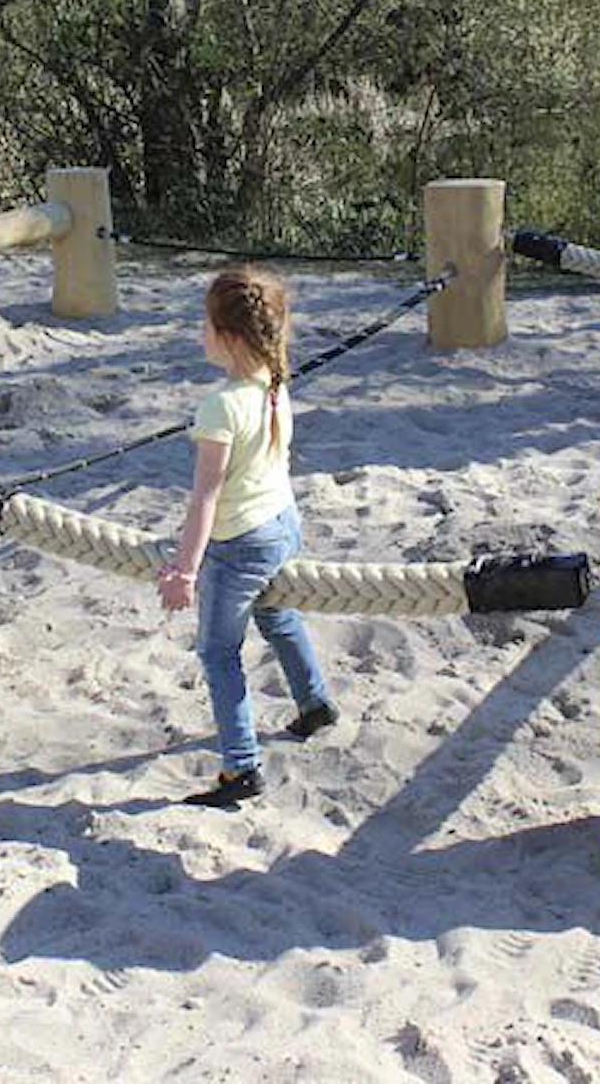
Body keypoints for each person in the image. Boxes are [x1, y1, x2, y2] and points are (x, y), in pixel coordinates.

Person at [157, 266, 339, 809]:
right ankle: (314, 703)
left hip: (239, 545)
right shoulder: (274, 383)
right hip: (283, 524)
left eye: (205, 325)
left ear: (228, 337)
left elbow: (206, 498)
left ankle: (240, 767)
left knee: (218, 652)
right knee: (277, 614)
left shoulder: (220, 406)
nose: (201, 334)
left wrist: (185, 571)